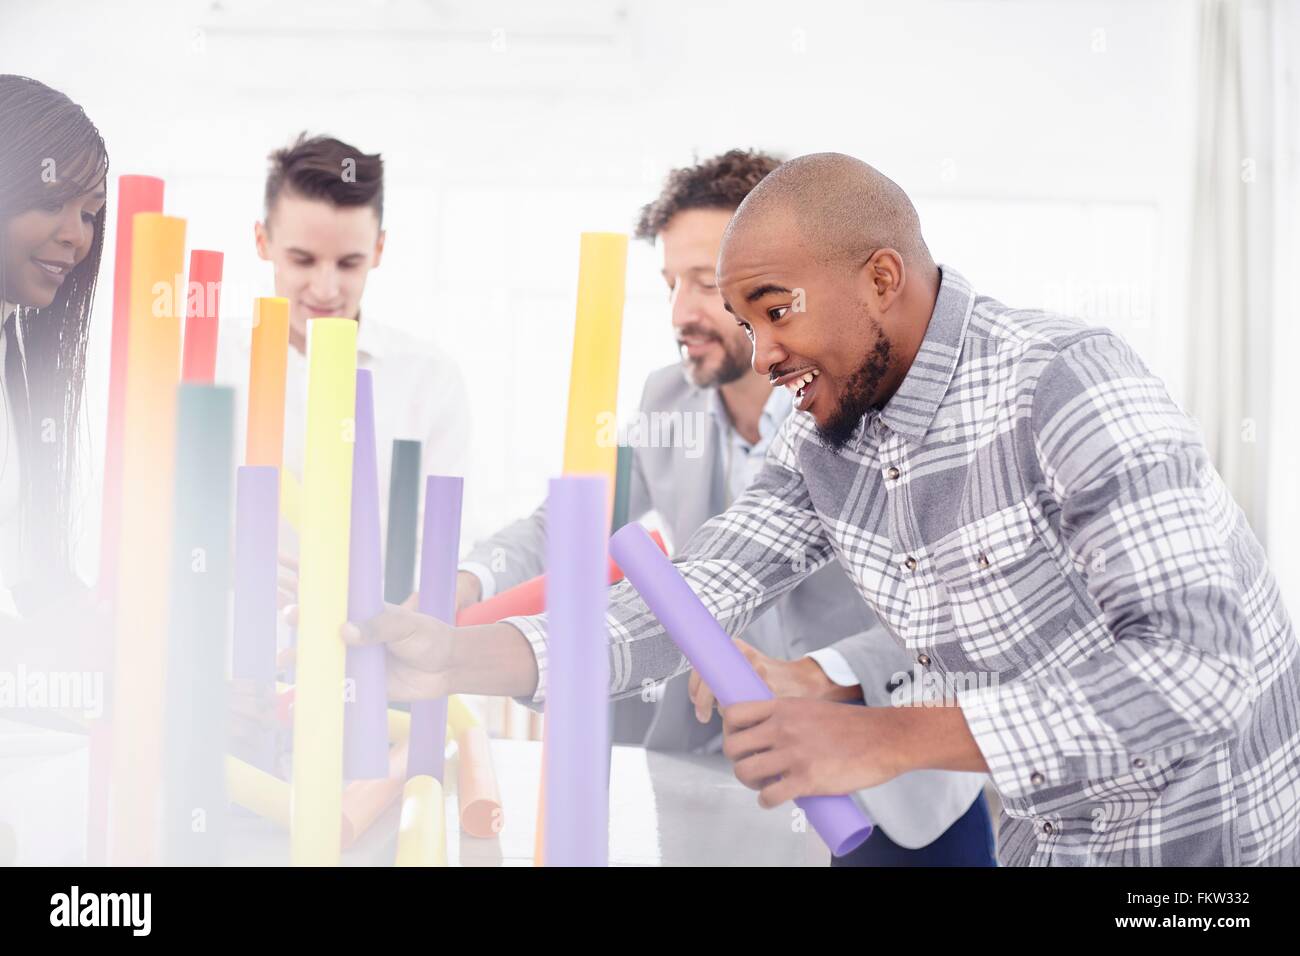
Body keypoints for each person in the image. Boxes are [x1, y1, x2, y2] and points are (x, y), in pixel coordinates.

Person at [346, 152, 1300, 866]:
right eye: (744, 319)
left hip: (1208, 850)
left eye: (775, 309)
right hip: (1047, 837)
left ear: (880, 279)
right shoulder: (818, 434)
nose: (760, 353)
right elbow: (696, 591)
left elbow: (1199, 667)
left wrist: (873, 732)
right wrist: (465, 657)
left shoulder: (1064, 381)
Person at [454, 150, 992, 865]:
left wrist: (822, 673)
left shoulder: (865, 398)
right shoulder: (666, 398)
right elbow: (575, 522)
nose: (682, 313)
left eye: (708, 284)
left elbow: (960, 607)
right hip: (720, 767)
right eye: (671, 283)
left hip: (892, 785)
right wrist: (465, 586)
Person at [0, 74, 107, 630]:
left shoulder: (14, 359)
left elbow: (32, 582)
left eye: (89, 213)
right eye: (49, 201)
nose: (76, 236)